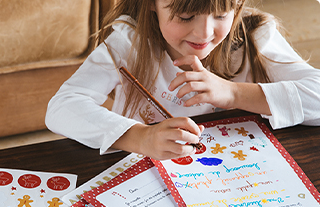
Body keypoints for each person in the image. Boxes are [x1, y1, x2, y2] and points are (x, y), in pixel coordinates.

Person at [45, 0, 320, 161]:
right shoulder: (129, 42)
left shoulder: (254, 35)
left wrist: (233, 93)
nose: (204, 33)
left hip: (235, 177)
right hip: (144, 179)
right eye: (186, 16)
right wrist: (142, 138)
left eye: (222, 14)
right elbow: (62, 107)